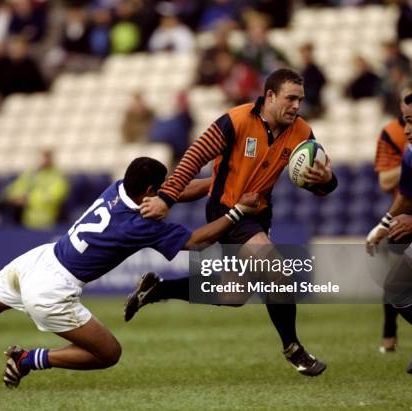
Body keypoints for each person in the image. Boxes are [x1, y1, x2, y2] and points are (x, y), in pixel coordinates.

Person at [0, 157, 259, 388]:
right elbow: (198, 241)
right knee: (109, 354)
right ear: (149, 192)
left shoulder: (118, 187)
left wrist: (214, 183)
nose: (166, 191)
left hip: (36, 260)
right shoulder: (143, 224)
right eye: (161, 188)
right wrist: (238, 208)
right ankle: (30, 358)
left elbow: (170, 194)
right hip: (53, 288)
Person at [124, 68, 337, 377]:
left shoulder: (303, 133)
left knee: (234, 294)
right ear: (270, 96)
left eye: (300, 100)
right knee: (275, 270)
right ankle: (293, 349)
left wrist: (327, 179)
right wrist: (166, 198)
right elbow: (194, 157)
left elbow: (322, 186)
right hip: (228, 210)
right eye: (290, 99)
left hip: (259, 214)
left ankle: (157, 290)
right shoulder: (235, 121)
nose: (296, 106)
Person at [366, 91, 412, 375]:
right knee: (397, 288)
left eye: (410, 122)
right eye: (403, 123)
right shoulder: (410, 154)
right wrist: (383, 225)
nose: (406, 130)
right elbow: (407, 196)